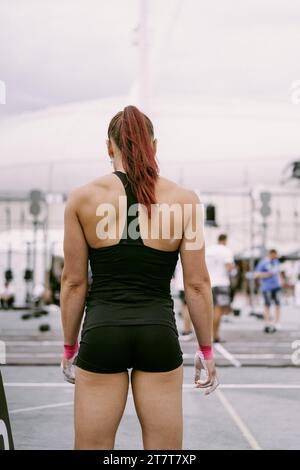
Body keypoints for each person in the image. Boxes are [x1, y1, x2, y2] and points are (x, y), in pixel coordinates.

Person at [60, 105, 218, 450]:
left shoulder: (83, 198)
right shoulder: (185, 201)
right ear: (154, 146)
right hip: (157, 333)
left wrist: (70, 346)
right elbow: (196, 284)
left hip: (103, 331)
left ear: (108, 147)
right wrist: (206, 349)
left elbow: (73, 283)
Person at [205, 234, 235, 343]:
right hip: (221, 283)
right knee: (218, 311)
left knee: (210, 310)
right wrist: (234, 268)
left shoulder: (209, 250)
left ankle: (211, 336)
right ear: (225, 240)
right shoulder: (226, 251)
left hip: (209, 283)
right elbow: (229, 268)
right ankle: (215, 335)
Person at [255, 249, 282, 332]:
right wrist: (267, 274)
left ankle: (277, 322)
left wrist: (281, 281)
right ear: (270, 254)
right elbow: (257, 275)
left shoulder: (276, 262)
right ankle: (267, 322)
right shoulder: (263, 263)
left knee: (278, 304)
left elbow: (278, 273)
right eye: (274, 255)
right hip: (267, 287)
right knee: (267, 305)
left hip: (276, 286)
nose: (275, 257)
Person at [174, 261, 194, 340]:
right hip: (185, 284)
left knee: (185, 306)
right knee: (187, 307)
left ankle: (187, 329)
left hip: (181, 283)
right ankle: (187, 330)